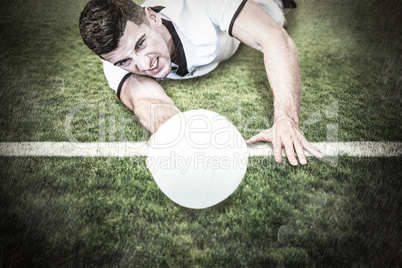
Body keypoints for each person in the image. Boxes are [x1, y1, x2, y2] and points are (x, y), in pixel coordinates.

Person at [79, 0, 322, 165]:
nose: (143, 66)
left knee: (276, 20)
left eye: (141, 44)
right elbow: (149, 101)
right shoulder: (114, 62)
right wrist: (172, 133)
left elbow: (276, 40)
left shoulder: (205, 5)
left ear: (152, 18)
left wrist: (285, 119)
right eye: (124, 62)